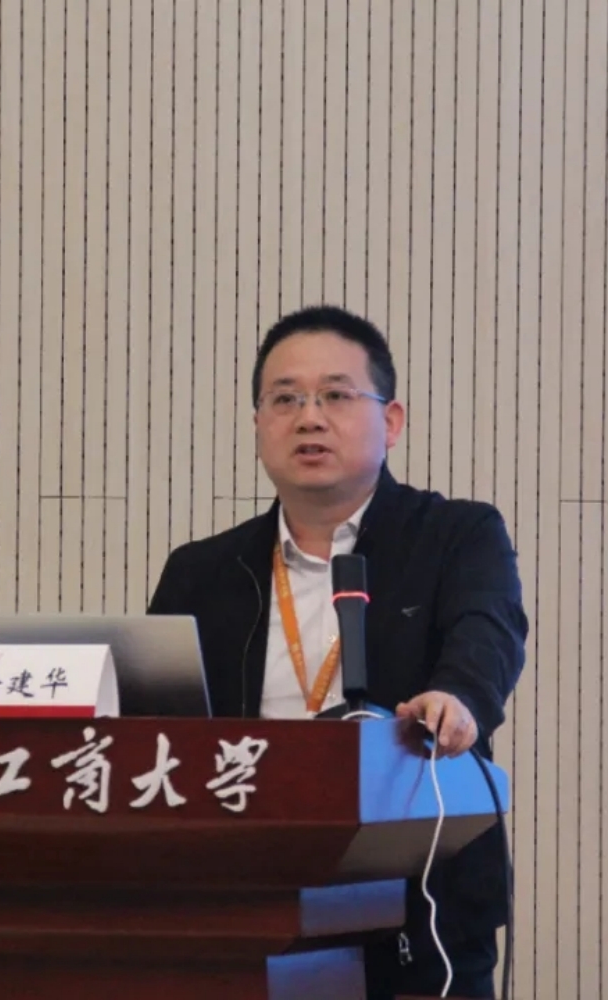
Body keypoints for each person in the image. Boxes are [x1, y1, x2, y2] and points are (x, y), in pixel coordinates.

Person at [146, 305, 529, 999]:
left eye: (336, 395)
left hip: (417, 898)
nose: (309, 418)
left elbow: (489, 633)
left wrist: (459, 700)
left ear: (391, 421)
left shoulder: (456, 535)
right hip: (243, 902)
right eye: (285, 399)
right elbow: (154, 728)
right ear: (259, 424)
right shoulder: (201, 572)